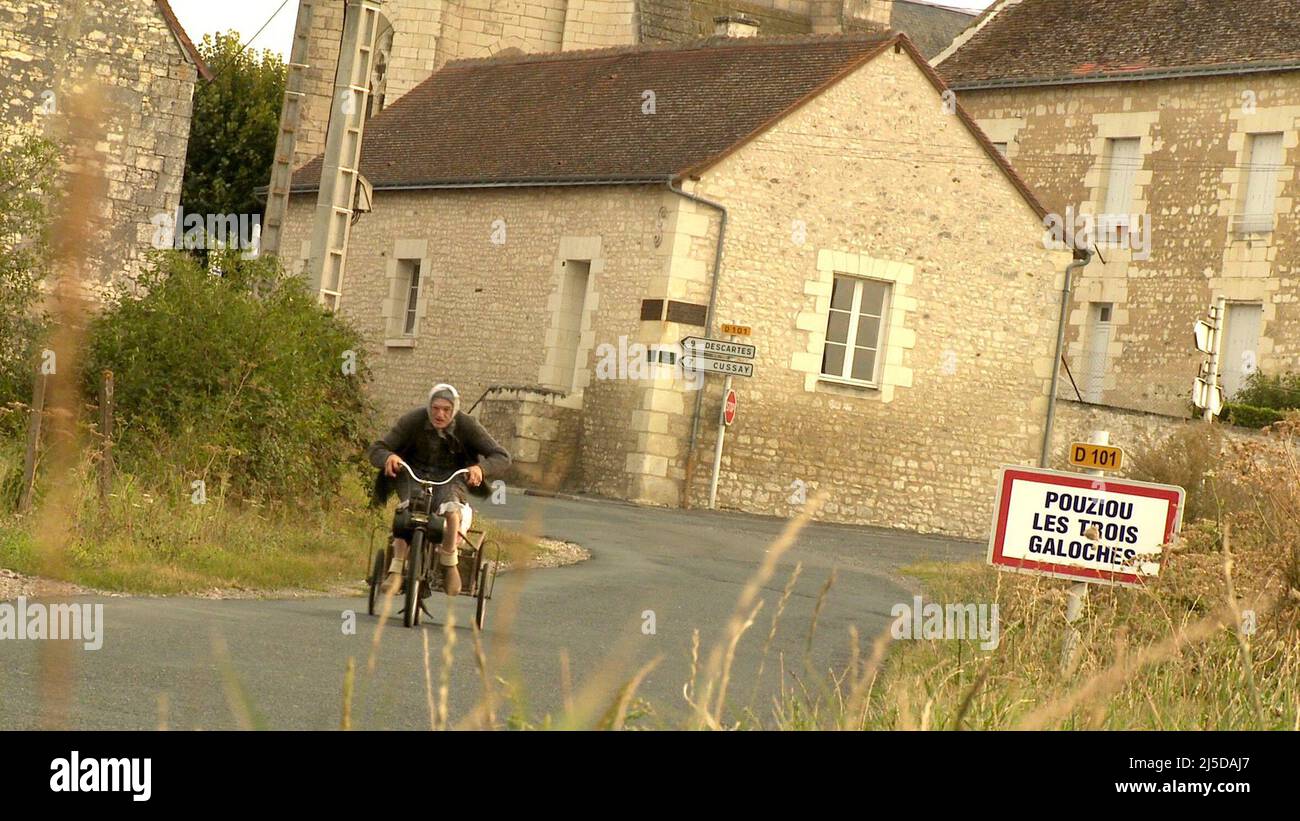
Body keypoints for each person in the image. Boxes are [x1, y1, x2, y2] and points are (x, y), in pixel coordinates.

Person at [367, 383, 510, 596]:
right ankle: (396, 570)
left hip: (451, 477)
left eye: (446, 409)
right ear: (429, 407)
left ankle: (449, 562)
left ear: (454, 410)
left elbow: (502, 456)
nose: (440, 414)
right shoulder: (413, 420)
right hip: (413, 473)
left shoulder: (467, 425)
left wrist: (481, 468)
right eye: (435, 408)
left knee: (452, 511)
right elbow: (378, 448)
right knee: (406, 512)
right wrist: (389, 457)